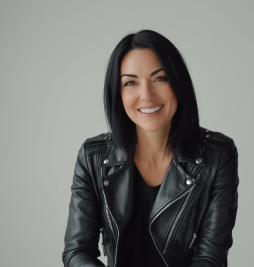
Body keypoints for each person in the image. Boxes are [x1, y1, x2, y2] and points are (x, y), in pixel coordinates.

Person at [62, 29, 239, 267]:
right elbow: (77, 252)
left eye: (160, 78)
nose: (146, 95)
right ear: (118, 94)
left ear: (178, 83)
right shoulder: (92, 156)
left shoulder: (217, 155)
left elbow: (211, 257)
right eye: (131, 83)